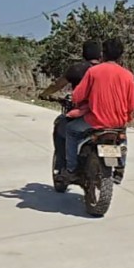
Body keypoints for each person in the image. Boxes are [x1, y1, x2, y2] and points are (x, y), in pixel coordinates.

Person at [63, 38, 134, 180]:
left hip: (95, 120)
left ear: (103, 54)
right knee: (121, 138)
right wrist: (127, 117)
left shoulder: (94, 72)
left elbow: (78, 96)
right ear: (121, 55)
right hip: (118, 122)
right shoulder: (128, 75)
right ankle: (120, 168)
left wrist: (75, 100)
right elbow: (131, 104)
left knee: (71, 131)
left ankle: (71, 169)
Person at [40, 41, 101, 171]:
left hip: (83, 113)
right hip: (106, 114)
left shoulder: (77, 69)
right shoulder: (107, 70)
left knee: (62, 127)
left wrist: (44, 94)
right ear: (100, 55)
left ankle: (65, 166)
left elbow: (58, 85)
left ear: (84, 54)